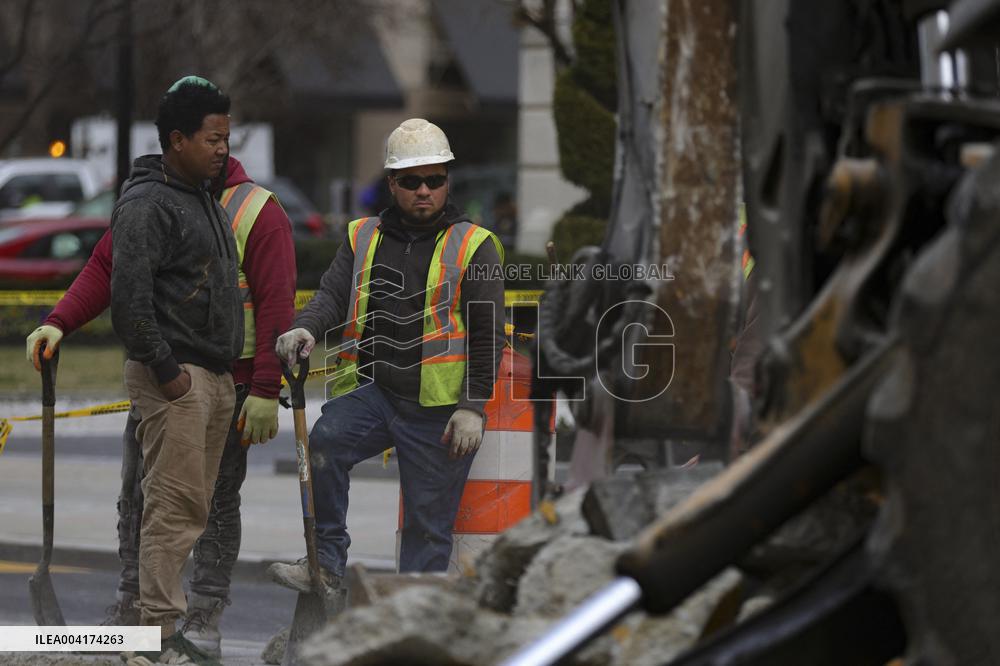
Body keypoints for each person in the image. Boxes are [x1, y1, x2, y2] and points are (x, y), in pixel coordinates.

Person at [24, 78, 296, 659]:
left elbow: (276, 305)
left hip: (235, 383)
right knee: (151, 500)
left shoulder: (250, 209)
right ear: (180, 140)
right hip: (175, 374)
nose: (222, 147)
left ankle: (199, 615)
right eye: (212, 137)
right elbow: (111, 271)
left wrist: (266, 388)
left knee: (209, 504)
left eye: (226, 137)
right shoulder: (157, 200)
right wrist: (60, 320)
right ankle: (146, 622)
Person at [267, 118, 505, 593]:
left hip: (439, 413)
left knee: (427, 531)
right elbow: (332, 296)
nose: (424, 191)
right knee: (325, 444)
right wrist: (304, 328)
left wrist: (472, 408)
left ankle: (409, 625)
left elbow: (488, 334)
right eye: (412, 181)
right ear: (392, 183)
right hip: (377, 394)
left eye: (435, 180)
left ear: (446, 182)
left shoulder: (474, 245)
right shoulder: (363, 236)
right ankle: (326, 564)